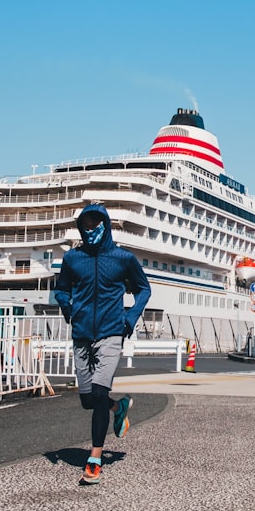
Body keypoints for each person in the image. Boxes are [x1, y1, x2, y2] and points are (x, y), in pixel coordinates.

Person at [55, 204, 152, 485]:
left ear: (105, 224)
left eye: (95, 223)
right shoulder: (73, 258)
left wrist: (130, 316)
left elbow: (144, 288)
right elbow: (62, 288)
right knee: (88, 399)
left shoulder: (122, 258)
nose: (90, 229)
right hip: (82, 332)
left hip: (111, 332)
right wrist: (67, 307)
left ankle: (94, 459)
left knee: (99, 391)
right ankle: (117, 408)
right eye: (85, 224)